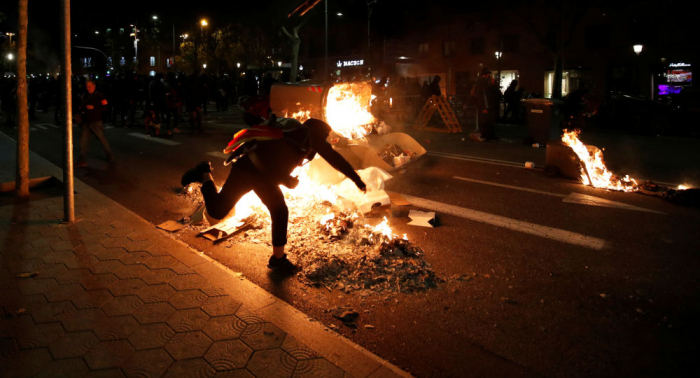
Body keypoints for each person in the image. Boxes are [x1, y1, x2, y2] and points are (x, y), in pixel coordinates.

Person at [180, 118, 367, 272]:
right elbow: (335, 160)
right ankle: (204, 173)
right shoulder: (308, 138)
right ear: (318, 133)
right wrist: (287, 180)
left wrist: (356, 179)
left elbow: (274, 165)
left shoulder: (298, 137)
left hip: (257, 173)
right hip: (250, 171)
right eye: (325, 136)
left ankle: (278, 259)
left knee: (269, 210)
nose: (325, 141)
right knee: (222, 210)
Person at [77, 80, 113, 167]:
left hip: (96, 121)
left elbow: (105, 107)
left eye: (89, 86)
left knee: (102, 139)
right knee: (83, 141)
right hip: (87, 121)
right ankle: (82, 160)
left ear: (94, 86)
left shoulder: (99, 95)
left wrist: (94, 107)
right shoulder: (85, 95)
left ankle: (109, 155)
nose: (87, 88)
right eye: (86, 86)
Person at [471, 68, 500, 141]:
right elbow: (481, 96)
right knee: (485, 121)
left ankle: (489, 135)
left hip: (487, 105)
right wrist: (483, 107)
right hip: (485, 105)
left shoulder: (484, 83)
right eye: (488, 75)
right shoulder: (482, 83)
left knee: (488, 121)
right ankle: (486, 135)